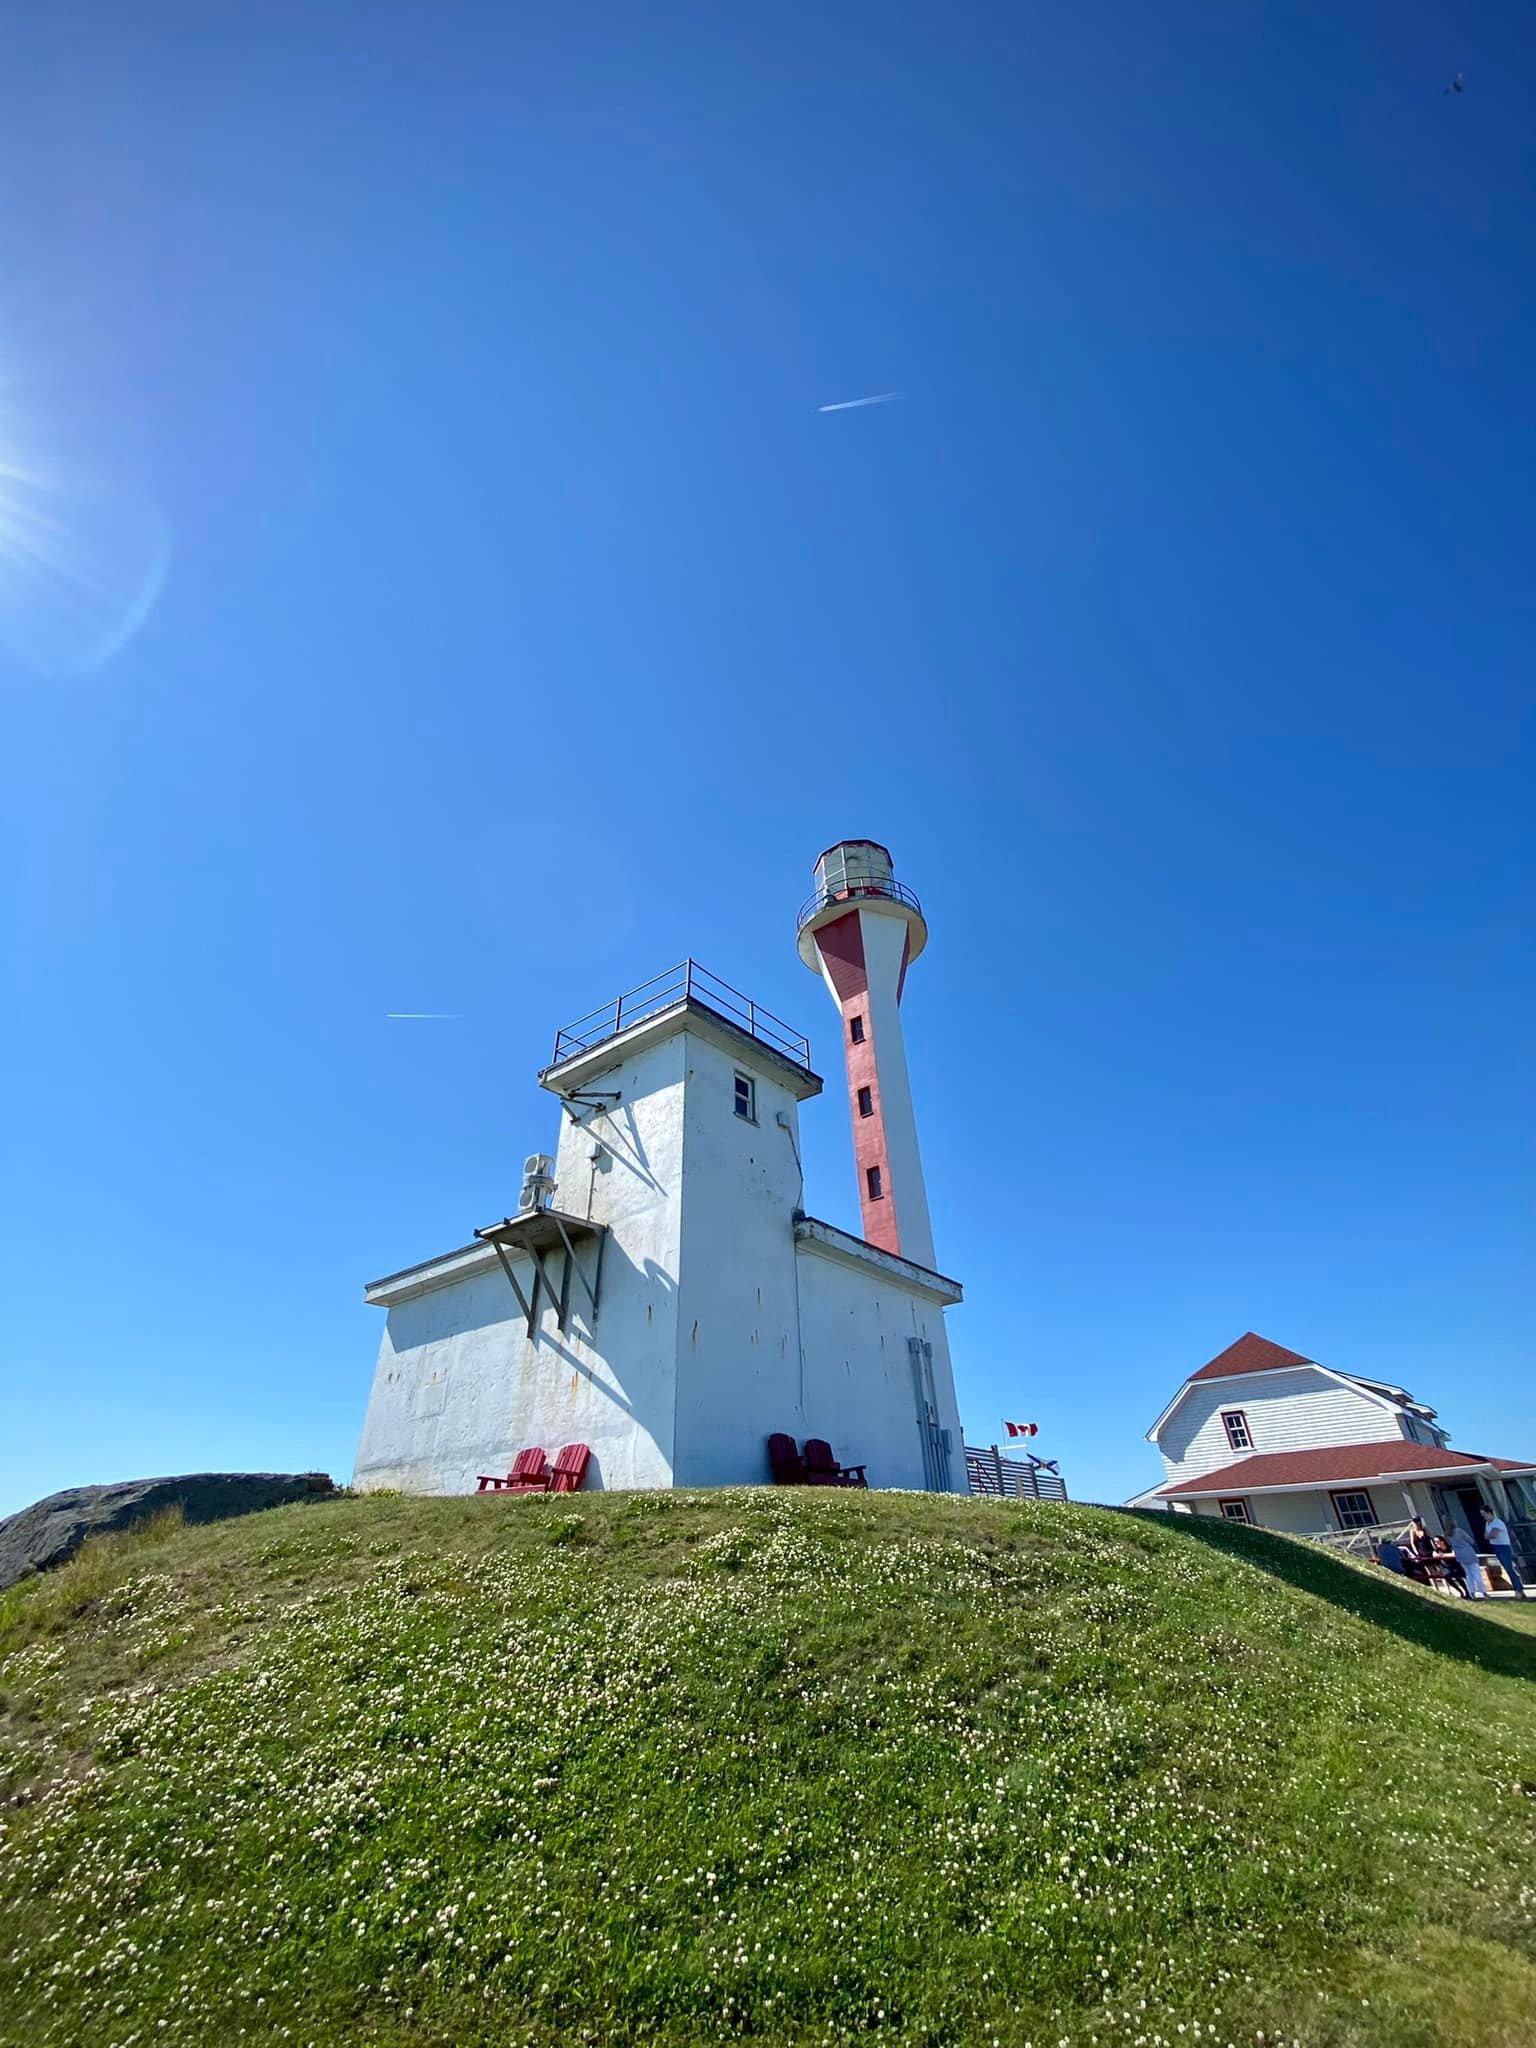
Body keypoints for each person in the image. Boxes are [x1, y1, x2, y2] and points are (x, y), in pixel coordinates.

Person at [1482, 1510, 1527, 1599]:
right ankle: (1518, 1589)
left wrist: (1488, 1535)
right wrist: (1488, 1535)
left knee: (1509, 1568)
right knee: (1507, 1568)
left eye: (1485, 1514)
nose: (1484, 1517)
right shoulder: (1488, 1523)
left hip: (1503, 1546)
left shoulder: (1497, 1522)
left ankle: (1519, 1589)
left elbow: (1492, 1535)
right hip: (1495, 1546)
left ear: (1490, 1513)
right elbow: (1485, 1535)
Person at [1449, 1522, 1486, 1600]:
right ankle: (1483, 1591)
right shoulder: (1459, 1531)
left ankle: (1472, 1592)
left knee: (1468, 1574)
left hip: (1460, 1554)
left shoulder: (1448, 1534)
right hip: (1468, 1552)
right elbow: (1470, 1540)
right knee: (1476, 1573)